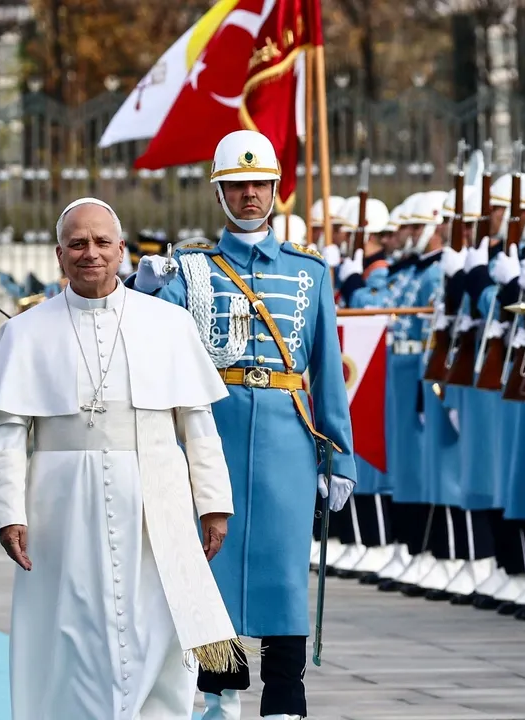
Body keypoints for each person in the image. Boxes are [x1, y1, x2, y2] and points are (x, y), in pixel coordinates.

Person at [0, 197, 245, 720]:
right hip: (63, 504)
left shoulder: (169, 323)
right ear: (58, 254)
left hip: (155, 494)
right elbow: (6, 434)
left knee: (163, 623)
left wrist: (213, 504)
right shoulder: (24, 333)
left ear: (121, 250)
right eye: (77, 243)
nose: (89, 253)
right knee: (71, 631)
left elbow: (199, 425)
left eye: (101, 243)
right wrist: (8, 513)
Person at [131, 130, 357, 720]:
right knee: (213, 569)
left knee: (285, 576)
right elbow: (146, 329)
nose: (249, 194)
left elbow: (328, 373)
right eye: (237, 185)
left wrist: (340, 457)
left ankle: (285, 697)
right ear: (220, 194)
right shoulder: (191, 268)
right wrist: (142, 288)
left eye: (259, 184)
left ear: (277, 188)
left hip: (288, 438)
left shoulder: (309, 273)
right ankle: (218, 693)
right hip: (216, 432)